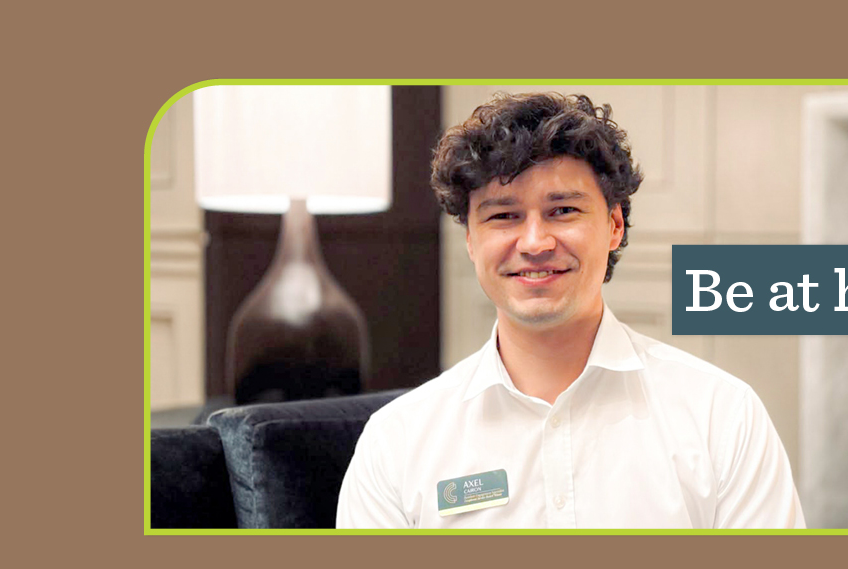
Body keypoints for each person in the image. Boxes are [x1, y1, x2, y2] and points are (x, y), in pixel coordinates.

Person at [336, 92, 804, 529]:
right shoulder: (396, 443)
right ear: (471, 241)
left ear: (614, 224)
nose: (536, 243)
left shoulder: (721, 416)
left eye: (562, 211)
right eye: (503, 216)